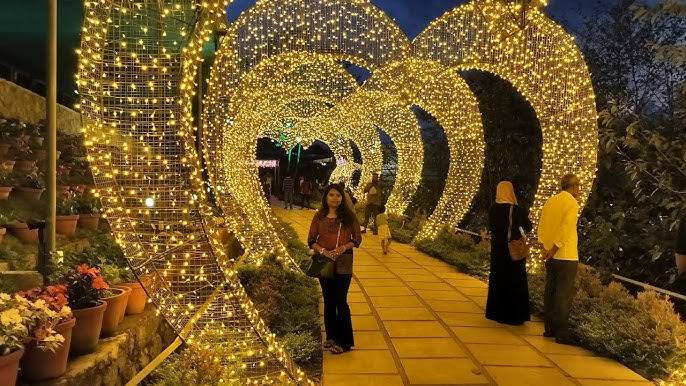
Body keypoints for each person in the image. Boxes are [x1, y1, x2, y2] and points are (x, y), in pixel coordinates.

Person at [308, 184, 362, 354]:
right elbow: (311, 240)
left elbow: (357, 239)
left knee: (340, 300)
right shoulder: (319, 216)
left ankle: (344, 342)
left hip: (344, 263)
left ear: (342, 197)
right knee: (329, 301)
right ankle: (331, 337)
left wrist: (342, 248)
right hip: (324, 263)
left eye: (338, 195)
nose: (335, 198)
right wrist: (323, 251)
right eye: (331, 195)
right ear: (325, 197)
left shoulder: (349, 217)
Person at [537, 174, 581, 344]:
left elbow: (542, 226)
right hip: (565, 255)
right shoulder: (571, 203)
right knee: (563, 293)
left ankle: (550, 327)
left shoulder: (550, 202)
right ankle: (562, 332)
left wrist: (545, 249)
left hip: (550, 254)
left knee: (551, 291)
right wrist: (555, 248)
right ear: (574, 186)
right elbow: (565, 229)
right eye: (578, 186)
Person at [485, 181, 533, 325]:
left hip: (497, 250)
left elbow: (492, 227)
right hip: (512, 251)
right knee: (515, 281)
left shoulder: (493, 209)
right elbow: (528, 226)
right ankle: (514, 315)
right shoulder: (515, 209)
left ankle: (497, 313)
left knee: (498, 280)